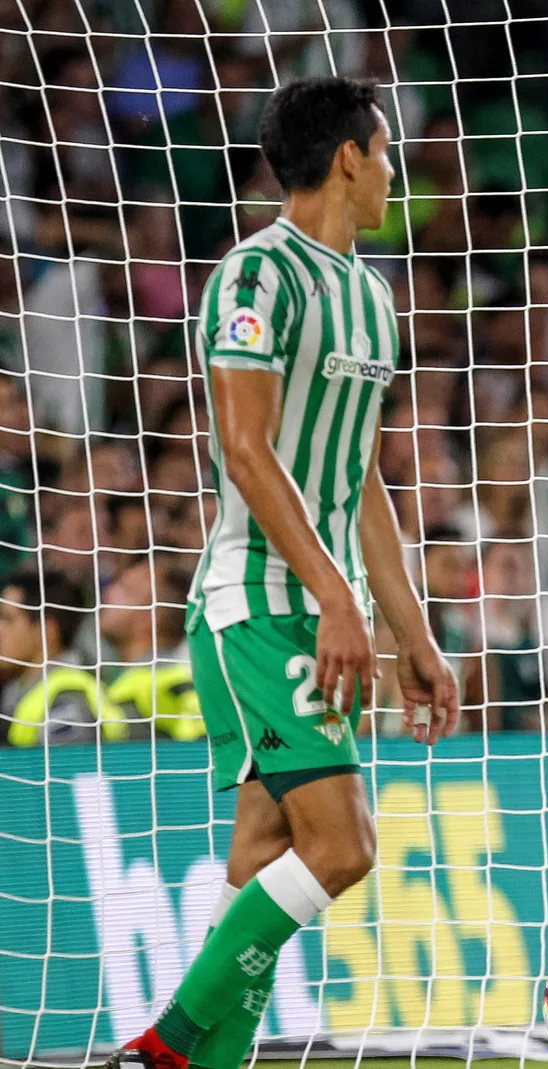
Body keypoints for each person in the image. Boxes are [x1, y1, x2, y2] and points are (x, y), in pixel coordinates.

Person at [107, 78, 459, 1069]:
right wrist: (340, 599)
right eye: (386, 151)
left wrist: (414, 631)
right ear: (348, 157)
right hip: (257, 603)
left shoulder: (372, 294)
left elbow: (364, 481)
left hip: (324, 610)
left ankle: (206, 1063)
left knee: (262, 862)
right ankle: (165, 1047)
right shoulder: (256, 278)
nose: (395, 171)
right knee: (343, 846)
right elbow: (246, 452)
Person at [0, 568, 124, 746]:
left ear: (46, 631)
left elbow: (68, 772)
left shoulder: (68, 699)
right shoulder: (21, 691)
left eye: (8, 619)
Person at [100, 561, 203, 741]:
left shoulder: (167, 686)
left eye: (126, 590)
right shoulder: (125, 682)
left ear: (148, 618)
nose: (108, 593)